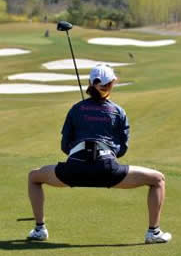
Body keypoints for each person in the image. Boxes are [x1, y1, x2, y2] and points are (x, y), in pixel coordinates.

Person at [27, 64, 171, 244]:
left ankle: (40, 229)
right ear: (111, 85)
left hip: (74, 170)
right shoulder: (118, 111)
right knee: (158, 180)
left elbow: (65, 145)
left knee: (34, 177)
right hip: (107, 170)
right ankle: (154, 232)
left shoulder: (76, 109)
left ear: (89, 83)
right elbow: (122, 148)